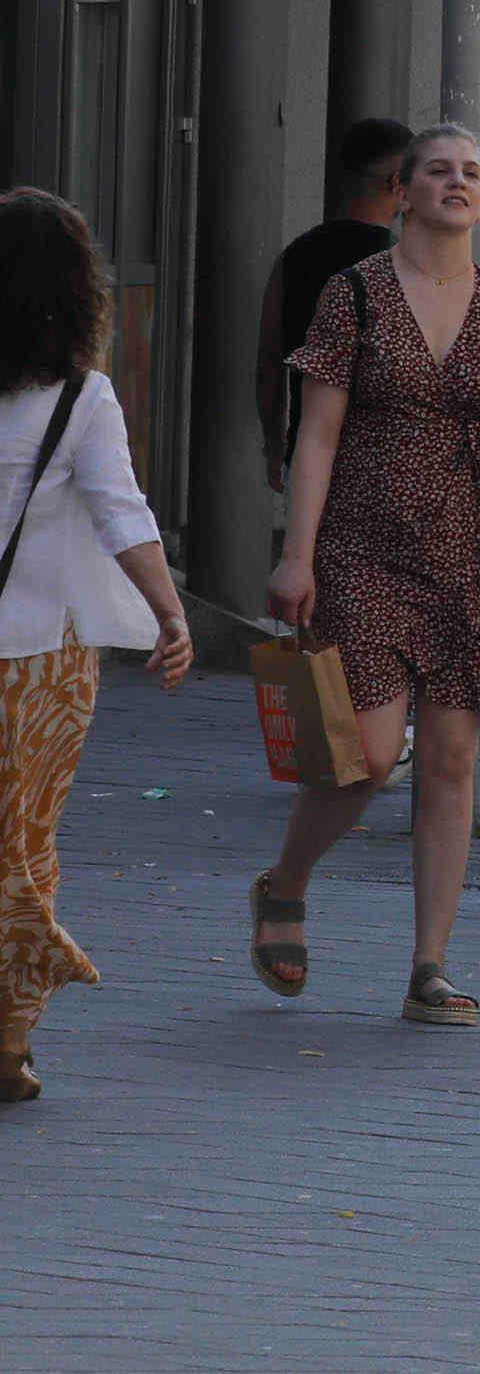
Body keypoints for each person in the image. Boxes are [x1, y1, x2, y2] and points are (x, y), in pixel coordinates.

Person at [259, 126, 480, 1028]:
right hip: (362, 536)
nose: (458, 183)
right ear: (405, 189)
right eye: (440, 170)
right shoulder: (354, 293)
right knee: (369, 749)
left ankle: (430, 963)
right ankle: (286, 880)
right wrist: (295, 551)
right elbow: (314, 432)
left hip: (467, 546)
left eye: (473, 173)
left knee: (452, 755)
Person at [0, 189, 193, 1104]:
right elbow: (123, 511)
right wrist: (169, 612)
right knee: (28, 840)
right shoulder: (84, 397)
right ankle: (10, 1035)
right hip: (47, 661)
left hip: (38, 652)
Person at [258, 118, 412, 471]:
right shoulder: (403, 265)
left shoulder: (295, 256)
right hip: (385, 464)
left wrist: (274, 444)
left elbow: (268, 362)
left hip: (309, 454)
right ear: (396, 183)